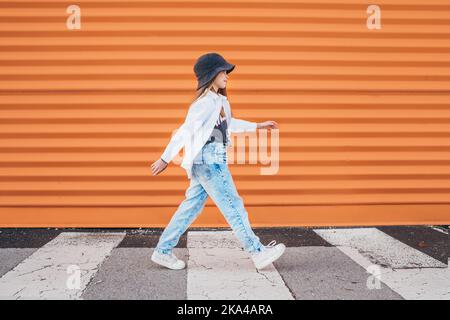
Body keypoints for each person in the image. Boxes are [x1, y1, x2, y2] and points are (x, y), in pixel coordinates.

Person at [150, 52, 285, 270]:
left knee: (190, 208)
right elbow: (186, 131)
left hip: (208, 160)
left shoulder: (218, 101)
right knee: (233, 205)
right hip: (210, 160)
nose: (227, 75)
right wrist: (165, 158)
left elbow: (228, 125)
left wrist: (258, 125)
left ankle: (163, 251)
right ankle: (257, 252)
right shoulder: (204, 103)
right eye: (223, 71)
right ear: (211, 74)